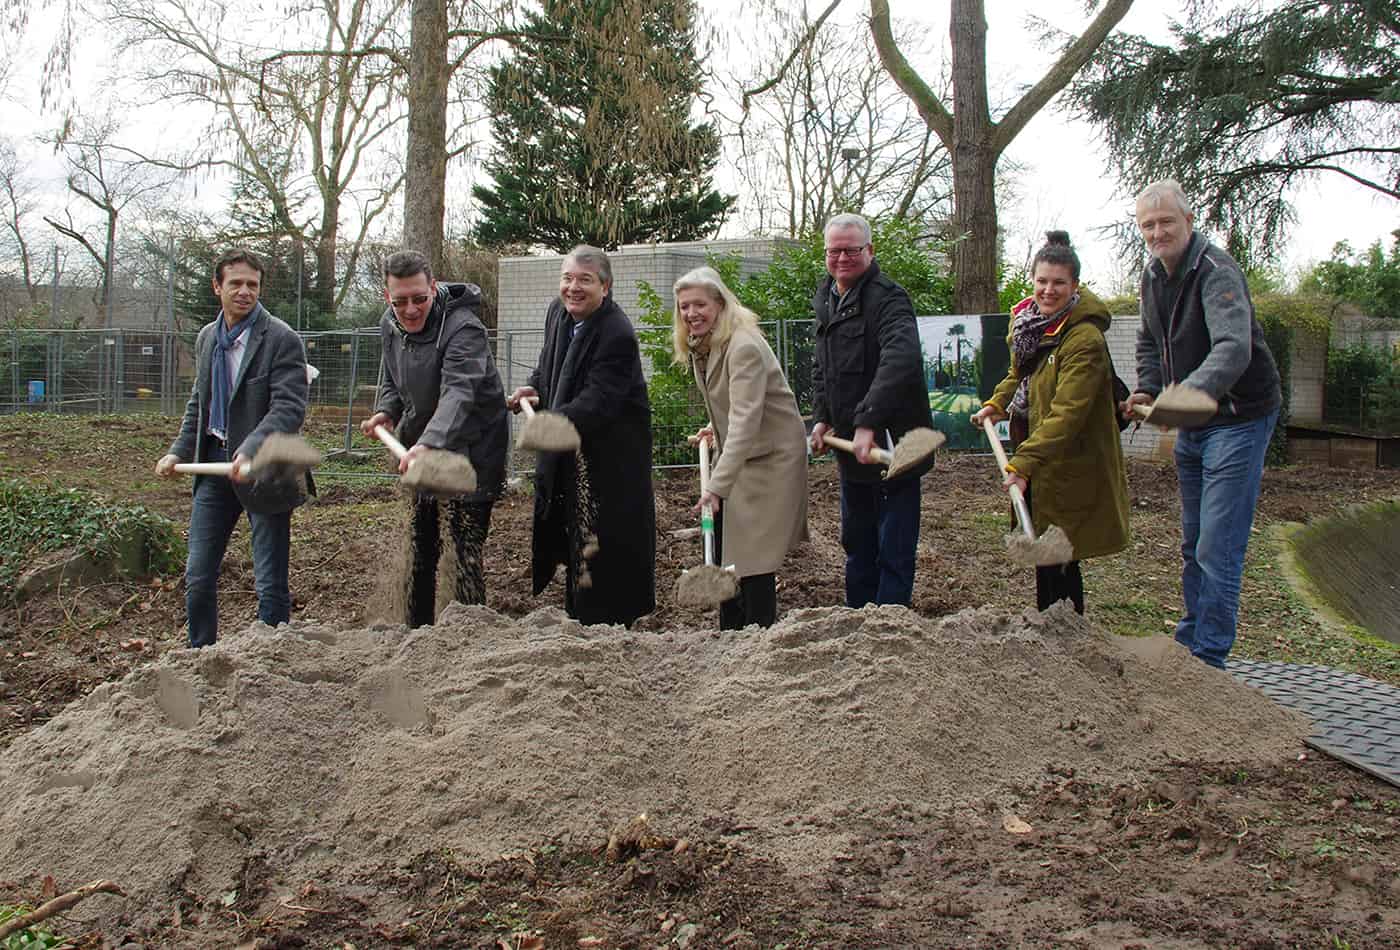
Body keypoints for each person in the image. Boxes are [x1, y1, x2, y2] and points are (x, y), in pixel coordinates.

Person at [1123, 179, 1281, 669]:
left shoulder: (1216, 270)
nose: (1157, 232)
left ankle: (1209, 657)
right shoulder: (1152, 276)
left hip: (1237, 416)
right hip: (1195, 423)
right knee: (1194, 539)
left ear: (1188, 222)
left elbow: (1234, 348)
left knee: (1219, 540)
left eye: (1166, 221)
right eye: (1147, 225)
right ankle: (1191, 640)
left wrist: (1188, 395)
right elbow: (1149, 342)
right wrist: (1149, 389)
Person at [155, 248, 310, 647]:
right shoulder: (208, 337)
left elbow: (288, 407)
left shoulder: (281, 339)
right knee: (199, 576)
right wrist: (178, 450)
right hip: (212, 470)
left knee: (269, 582)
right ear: (217, 287)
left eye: (252, 285)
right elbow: (199, 403)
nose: (245, 292)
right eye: (236, 284)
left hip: (265, 473)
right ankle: (199, 656)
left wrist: (252, 448)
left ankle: (273, 656)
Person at [971, 231, 1130, 613]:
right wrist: (998, 403)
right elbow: (1019, 373)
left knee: (1061, 554)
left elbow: (1068, 413)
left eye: (1059, 282)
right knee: (1047, 553)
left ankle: (1067, 640)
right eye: (1042, 281)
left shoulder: (1084, 339)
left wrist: (1024, 463)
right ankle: (1053, 634)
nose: (1048, 290)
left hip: (1068, 460)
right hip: (1041, 454)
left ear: (1075, 285)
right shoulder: (1031, 325)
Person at [507, 246, 656, 627]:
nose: (573, 287)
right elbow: (549, 368)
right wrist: (532, 390)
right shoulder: (558, 314)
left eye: (585, 280)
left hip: (611, 465)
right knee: (574, 540)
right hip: (572, 456)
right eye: (567, 278)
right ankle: (580, 618)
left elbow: (597, 402)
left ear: (605, 287)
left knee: (605, 549)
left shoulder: (617, 334)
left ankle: (609, 629)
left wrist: (548, 423)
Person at [359, 250, 509, 627]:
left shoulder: (464, 328)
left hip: (472, 452)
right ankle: (418, 634)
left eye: (419, 299)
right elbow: (393, 380)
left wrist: (428, 443)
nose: (410, 310)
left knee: (463, 551)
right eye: (400, 301)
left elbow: (459, 393)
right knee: (422, 547)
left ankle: (470, 637)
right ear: (386, 297)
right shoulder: (389, 324)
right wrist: (386, 411)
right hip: (422, 449)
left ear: (434, 287)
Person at [809, 213, 935, 608]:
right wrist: (821, 417)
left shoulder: (888, 298)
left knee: (893, 545)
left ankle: (891, 622)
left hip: (894, 446)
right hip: (851, 446)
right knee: (857, 542)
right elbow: (823, 366)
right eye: (834, 251)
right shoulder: (827, 295)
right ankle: (858, 618)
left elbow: (900, 359)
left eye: (851, 250)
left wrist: (869, 423)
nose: (842, 258)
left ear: (869, 251)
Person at [672, 266, 809, 629]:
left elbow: (747, 419)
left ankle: (757, 634)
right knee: (728, 552)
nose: (690, 314)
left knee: (752, 558)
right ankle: (730, 633)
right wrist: (715, 428)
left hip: (770, 459)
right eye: (684, 307)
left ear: (720, 304)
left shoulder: (743, 346)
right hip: (741, 452)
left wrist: (717, 485)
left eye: (699, 304)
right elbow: (733, 407)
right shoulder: (706, 345)